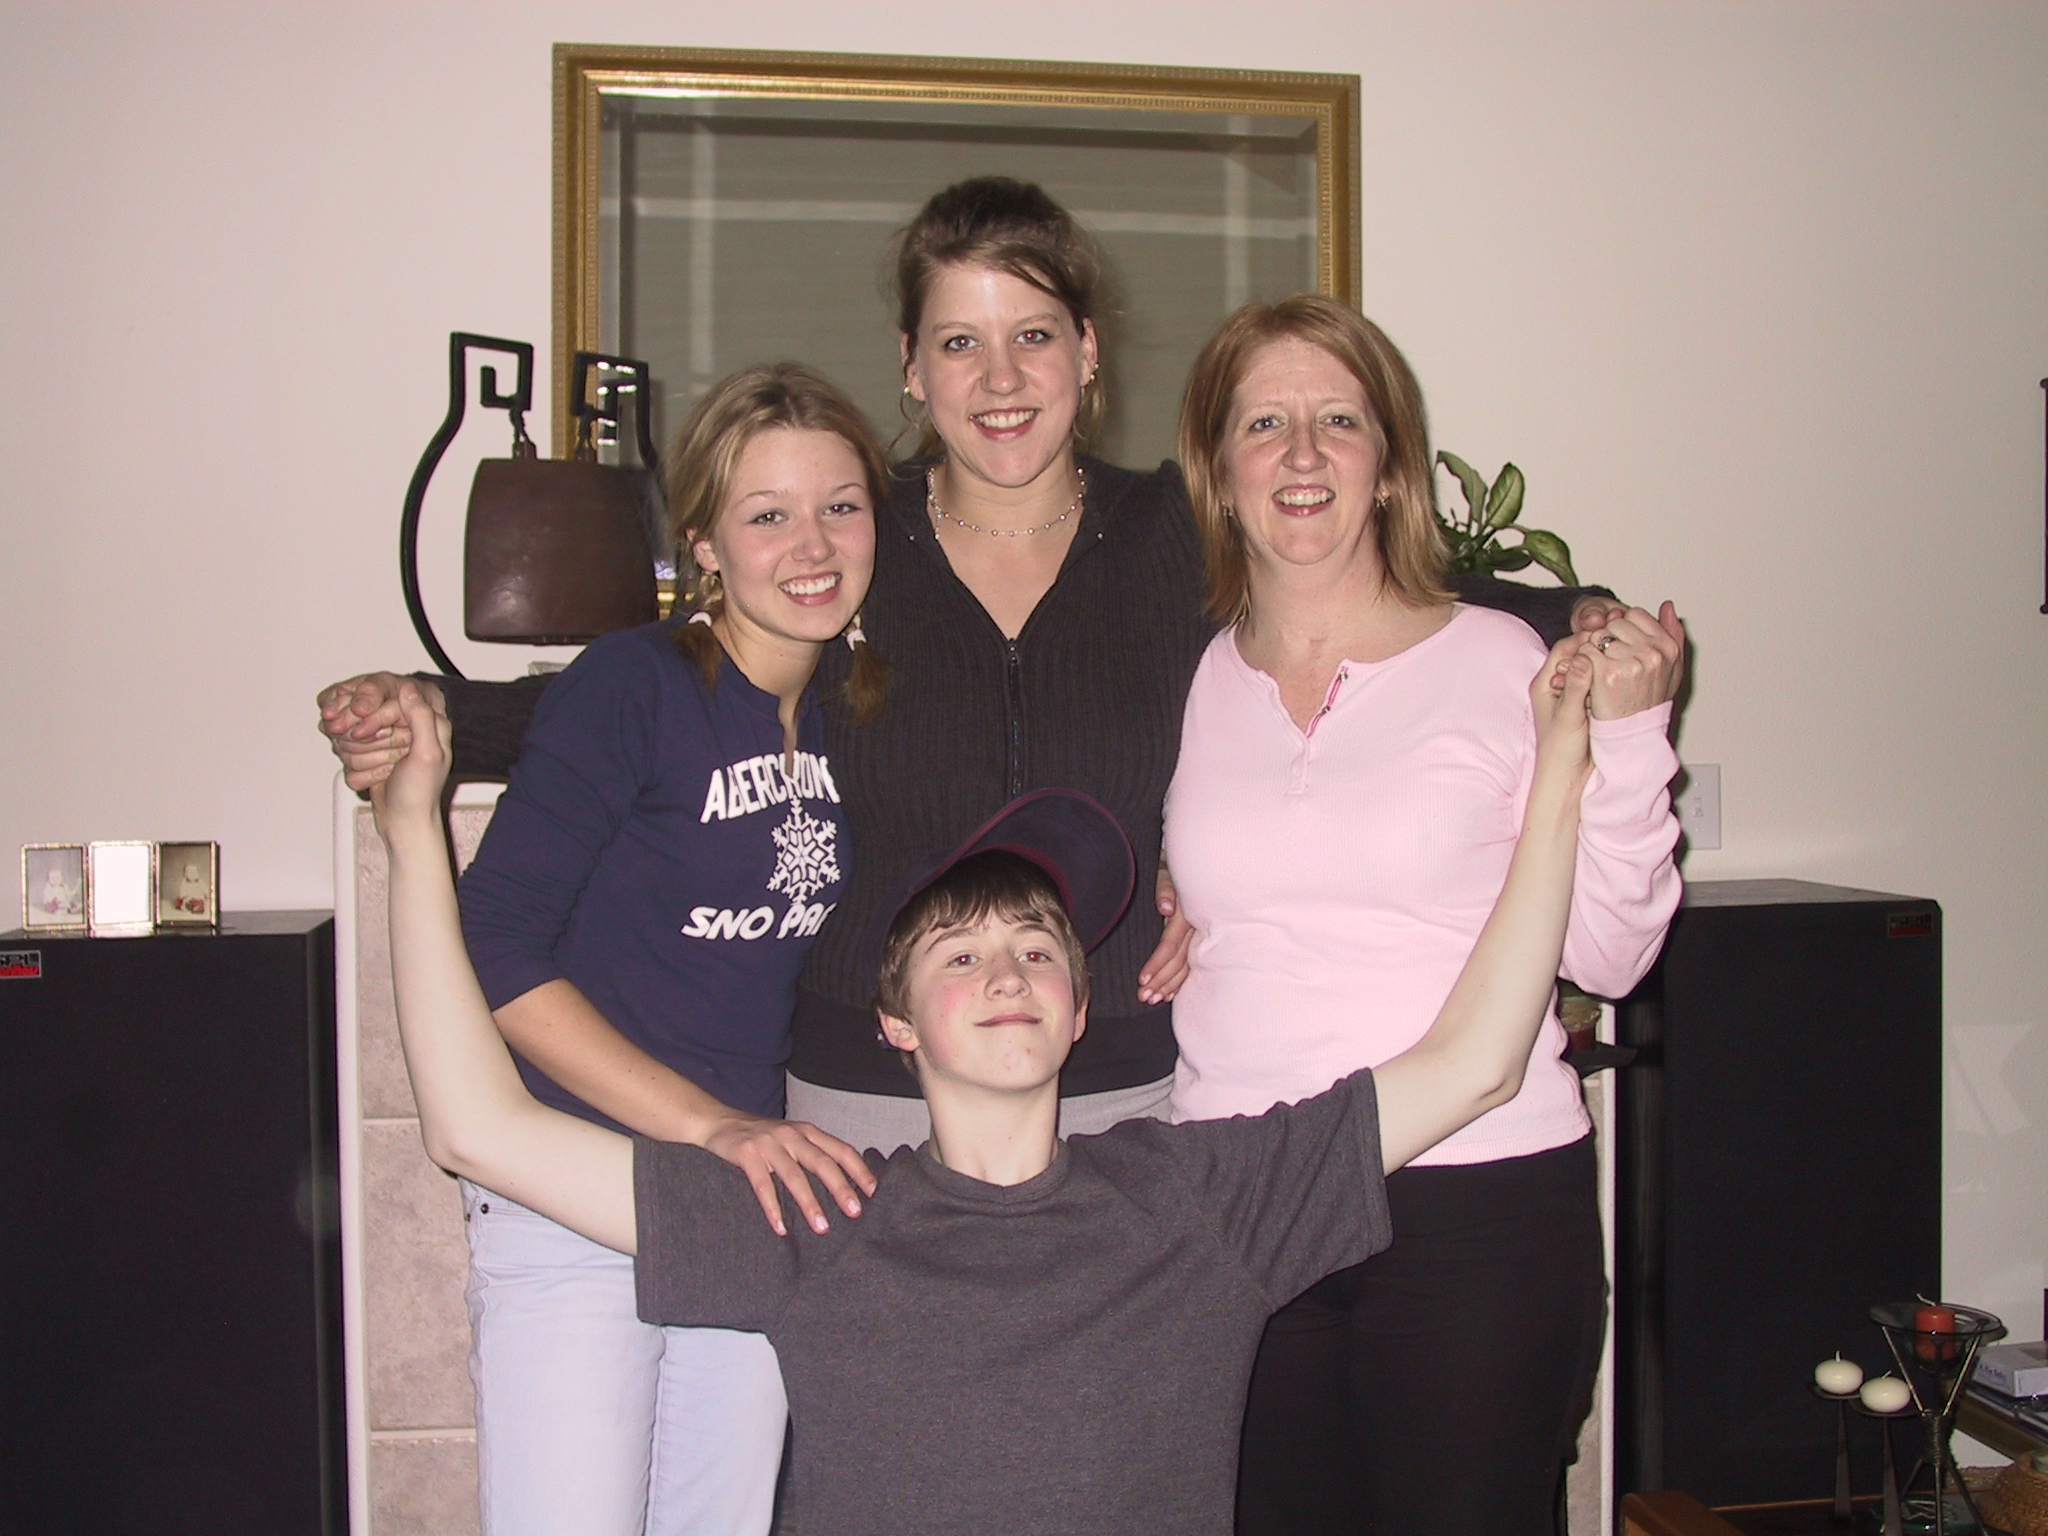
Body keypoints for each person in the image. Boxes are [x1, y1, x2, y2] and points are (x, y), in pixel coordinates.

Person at [319, 176, 1629, 1153]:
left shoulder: (1182, 539)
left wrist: (1590, 623)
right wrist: (436, 711)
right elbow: (663, 681)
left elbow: (1387, 577)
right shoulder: (847, 540)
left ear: (1089, 353)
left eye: (1036, 336)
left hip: (1124, 1090)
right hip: (859, 1098)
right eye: (959, 342)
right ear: (909, 368)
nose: (1001, 379)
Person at [366, 614, 1601, 1536]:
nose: (1006, 970)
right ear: (895, 1024)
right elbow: (477, 1129)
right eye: (959, 952)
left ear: (1077, 1013)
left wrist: (1559, 767)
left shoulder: (1201, 1198)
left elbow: (1478, 1063)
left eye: (1035, 947)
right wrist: (412, 825)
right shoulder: (819, 1216)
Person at [1164, 293, 1685, 1534]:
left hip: (1476, 1204)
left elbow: (1609, 955)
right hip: (1242, 1196)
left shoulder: (1504, 656)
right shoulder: (1191, 675)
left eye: (1336, 421)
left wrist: (1629, 736)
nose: (1300, 455)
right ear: (1219, 470)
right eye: (1263, 423)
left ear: (1388, 464)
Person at [421, 363, 886, 1536]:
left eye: (840, 504)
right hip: (577, 1193)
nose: (812, 543)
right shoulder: (632, 684)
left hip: (741, 1205)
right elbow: (496, 944)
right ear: (706, 546)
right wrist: (712, 1124)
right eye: (766, 514)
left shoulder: (851, 708)